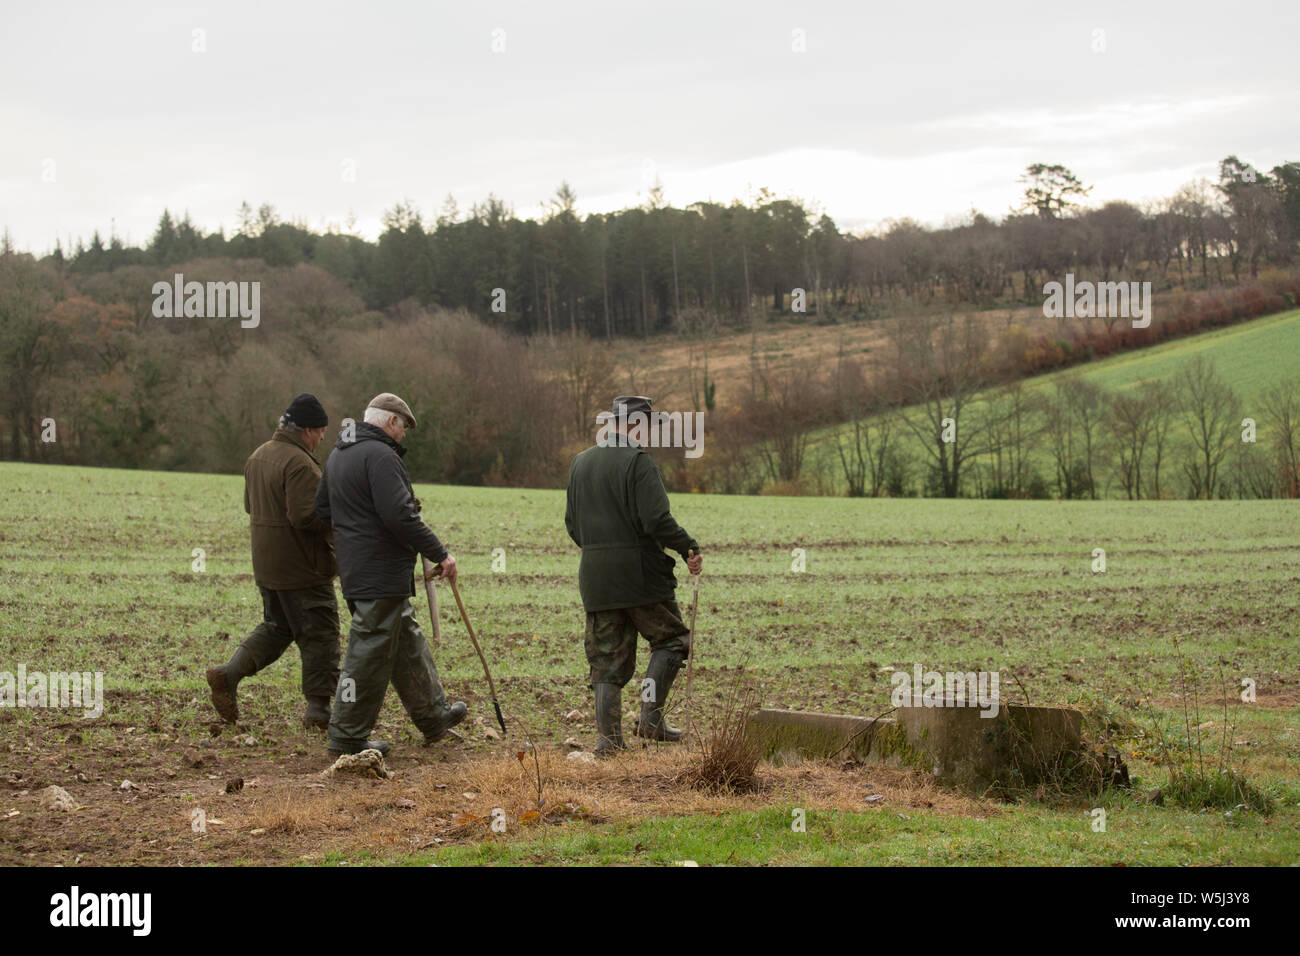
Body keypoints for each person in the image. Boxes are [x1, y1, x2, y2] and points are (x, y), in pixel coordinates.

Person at [315, 392, 467, 756]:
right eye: (403, 429)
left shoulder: (338, 455)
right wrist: (439, 553)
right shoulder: (381, 456)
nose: (403, 437)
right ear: (391, 422)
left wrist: (351, 545)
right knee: (367, 654)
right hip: (378, 574)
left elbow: (322, 511)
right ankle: (347, 736)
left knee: (406, 643)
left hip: (361, 571)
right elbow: (399, 515)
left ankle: (434, 716)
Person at [564, 395, 704, 757]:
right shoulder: (638, 462)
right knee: (671, 641)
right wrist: (688, 547)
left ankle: (609, 742)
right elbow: (655, 520)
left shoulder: (580, 463)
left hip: (595, 578)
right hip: (640, 576)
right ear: (636, 425)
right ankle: (651, 719)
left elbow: (572, 525)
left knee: (606, 660)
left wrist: (599, 550)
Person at [206, 393, 341, 730]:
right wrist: (340, 518)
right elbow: (305, 517)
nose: (324, 437)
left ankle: (229, 673)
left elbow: (251, 506)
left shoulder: (257, 456)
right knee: (320, 634)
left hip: (268, 567)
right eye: (322, 431)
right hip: (303, 569)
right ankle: (318, 711)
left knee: (278, 627)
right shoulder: (300, 463)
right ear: (307, 430)